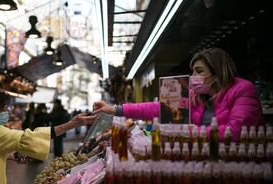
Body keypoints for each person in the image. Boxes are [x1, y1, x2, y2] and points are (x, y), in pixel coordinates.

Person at [93, 48, 263, 141]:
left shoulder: (243, 90)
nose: (194, 77)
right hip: (207, 162)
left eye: (199, 71)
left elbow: (235, 132)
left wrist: (189, 132)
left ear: (217, 72)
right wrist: (115, 109)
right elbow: (158, 108)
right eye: (193, 72)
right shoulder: (196, 95)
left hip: (241, 166)